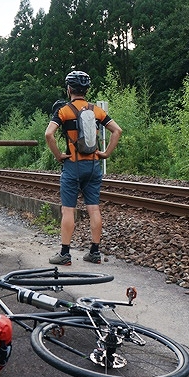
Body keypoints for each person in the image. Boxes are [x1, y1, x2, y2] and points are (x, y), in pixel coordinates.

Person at [44, 70, 122, 265]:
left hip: (73, 165)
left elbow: (49, 135)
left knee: (68, 210)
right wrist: (106, 153)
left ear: (69, 89)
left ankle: (64, 254)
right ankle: (94, 252)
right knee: (94, 209)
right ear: (87, 90)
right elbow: (117, 131)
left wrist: (59, 155)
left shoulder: (64, 111)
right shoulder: (96, 111)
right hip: (94, 165)